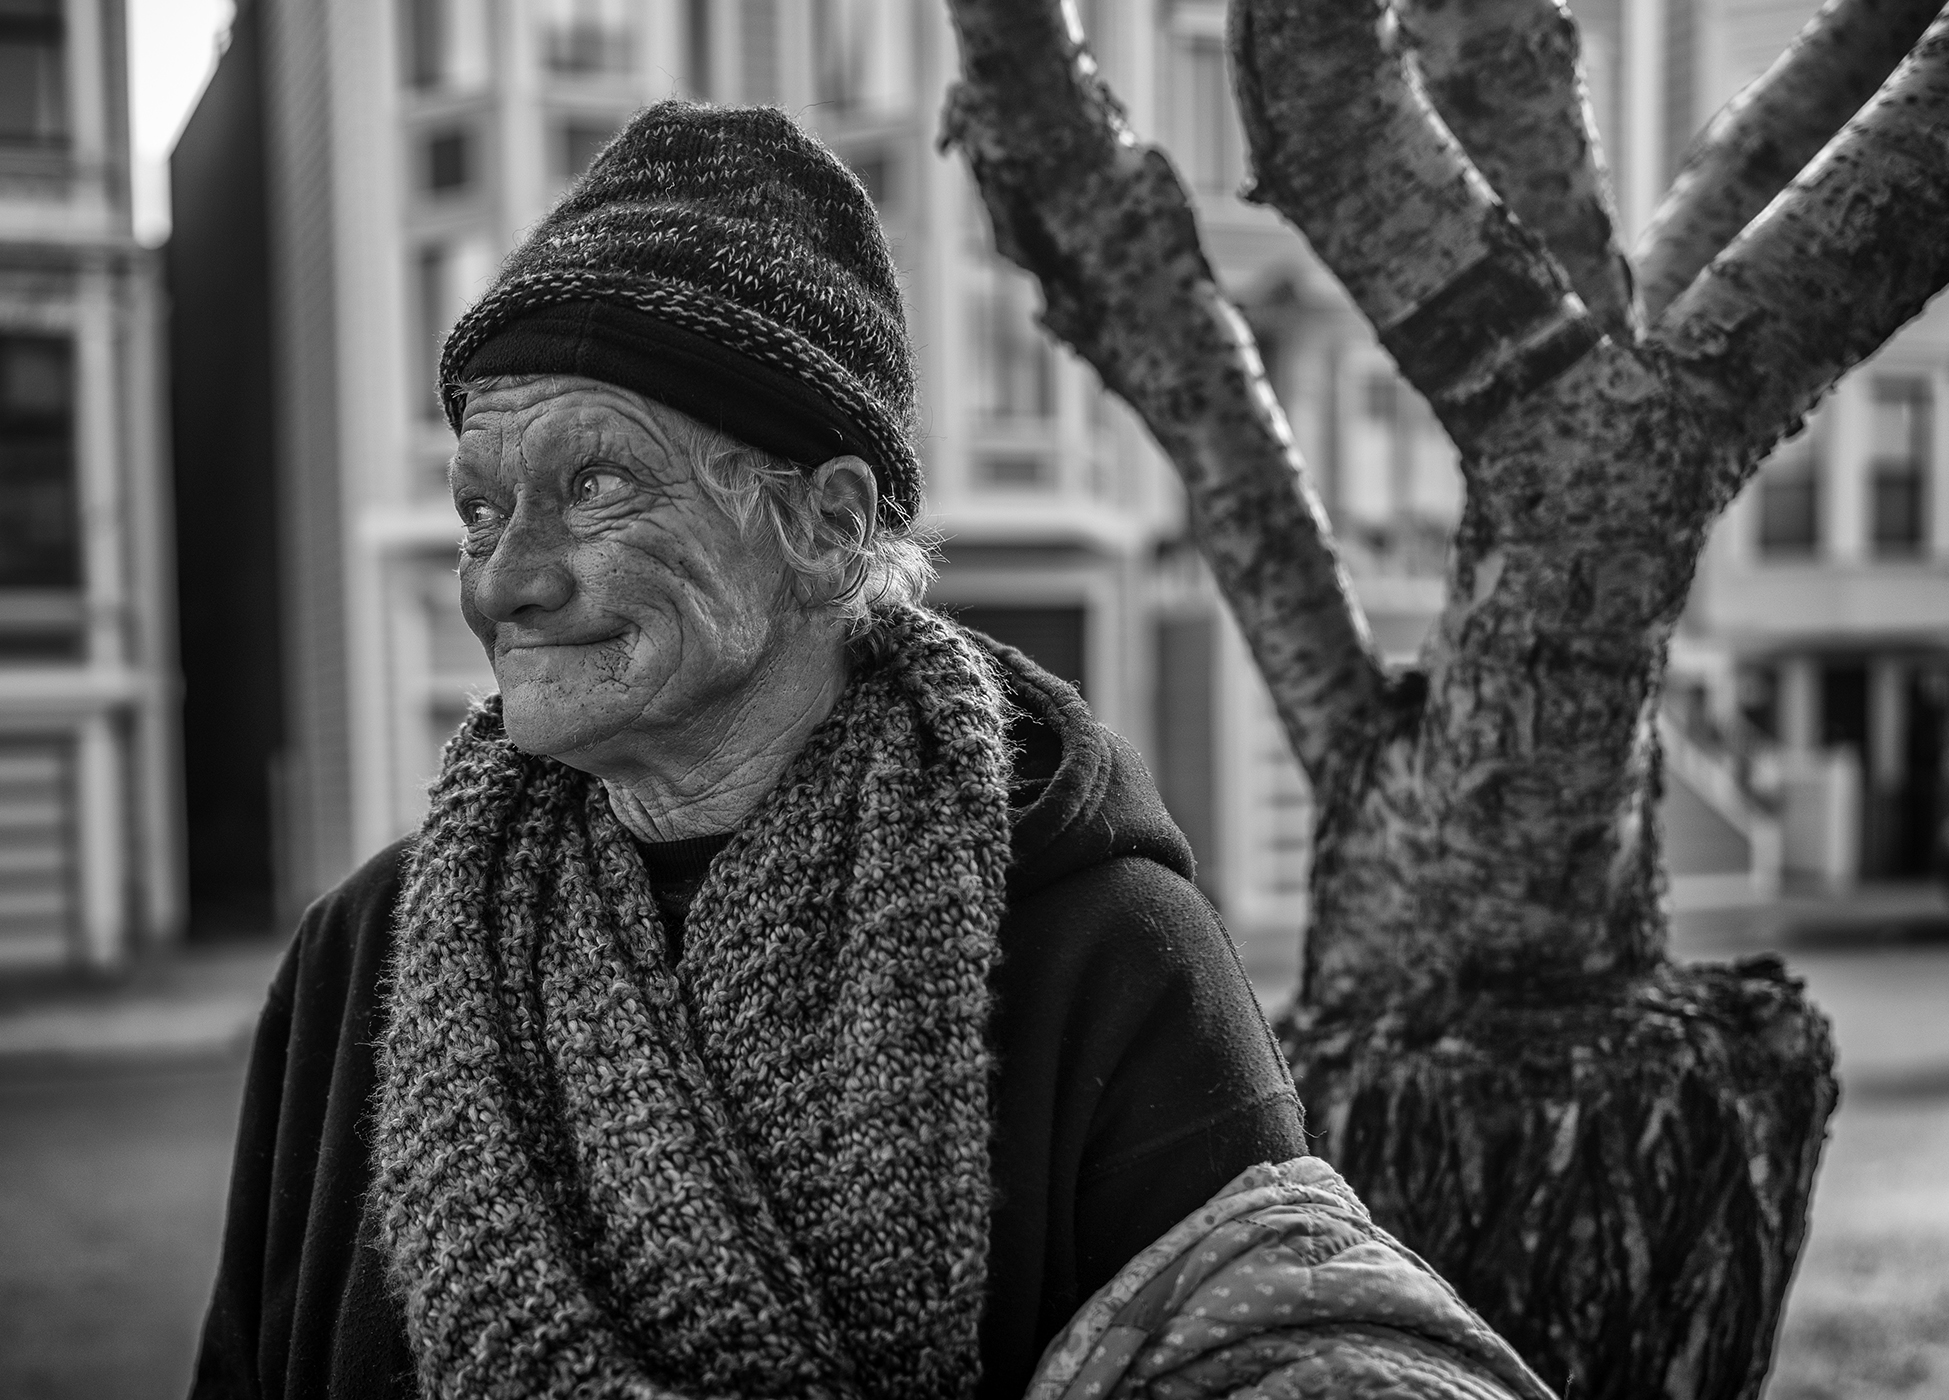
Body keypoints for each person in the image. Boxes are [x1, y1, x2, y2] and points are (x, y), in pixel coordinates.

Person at [189, 102, 1305, 1400]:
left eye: (596, 483)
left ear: (827, 525)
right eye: (481, 507)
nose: (505, 585)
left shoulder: (1109, 962)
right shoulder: (366, 954)